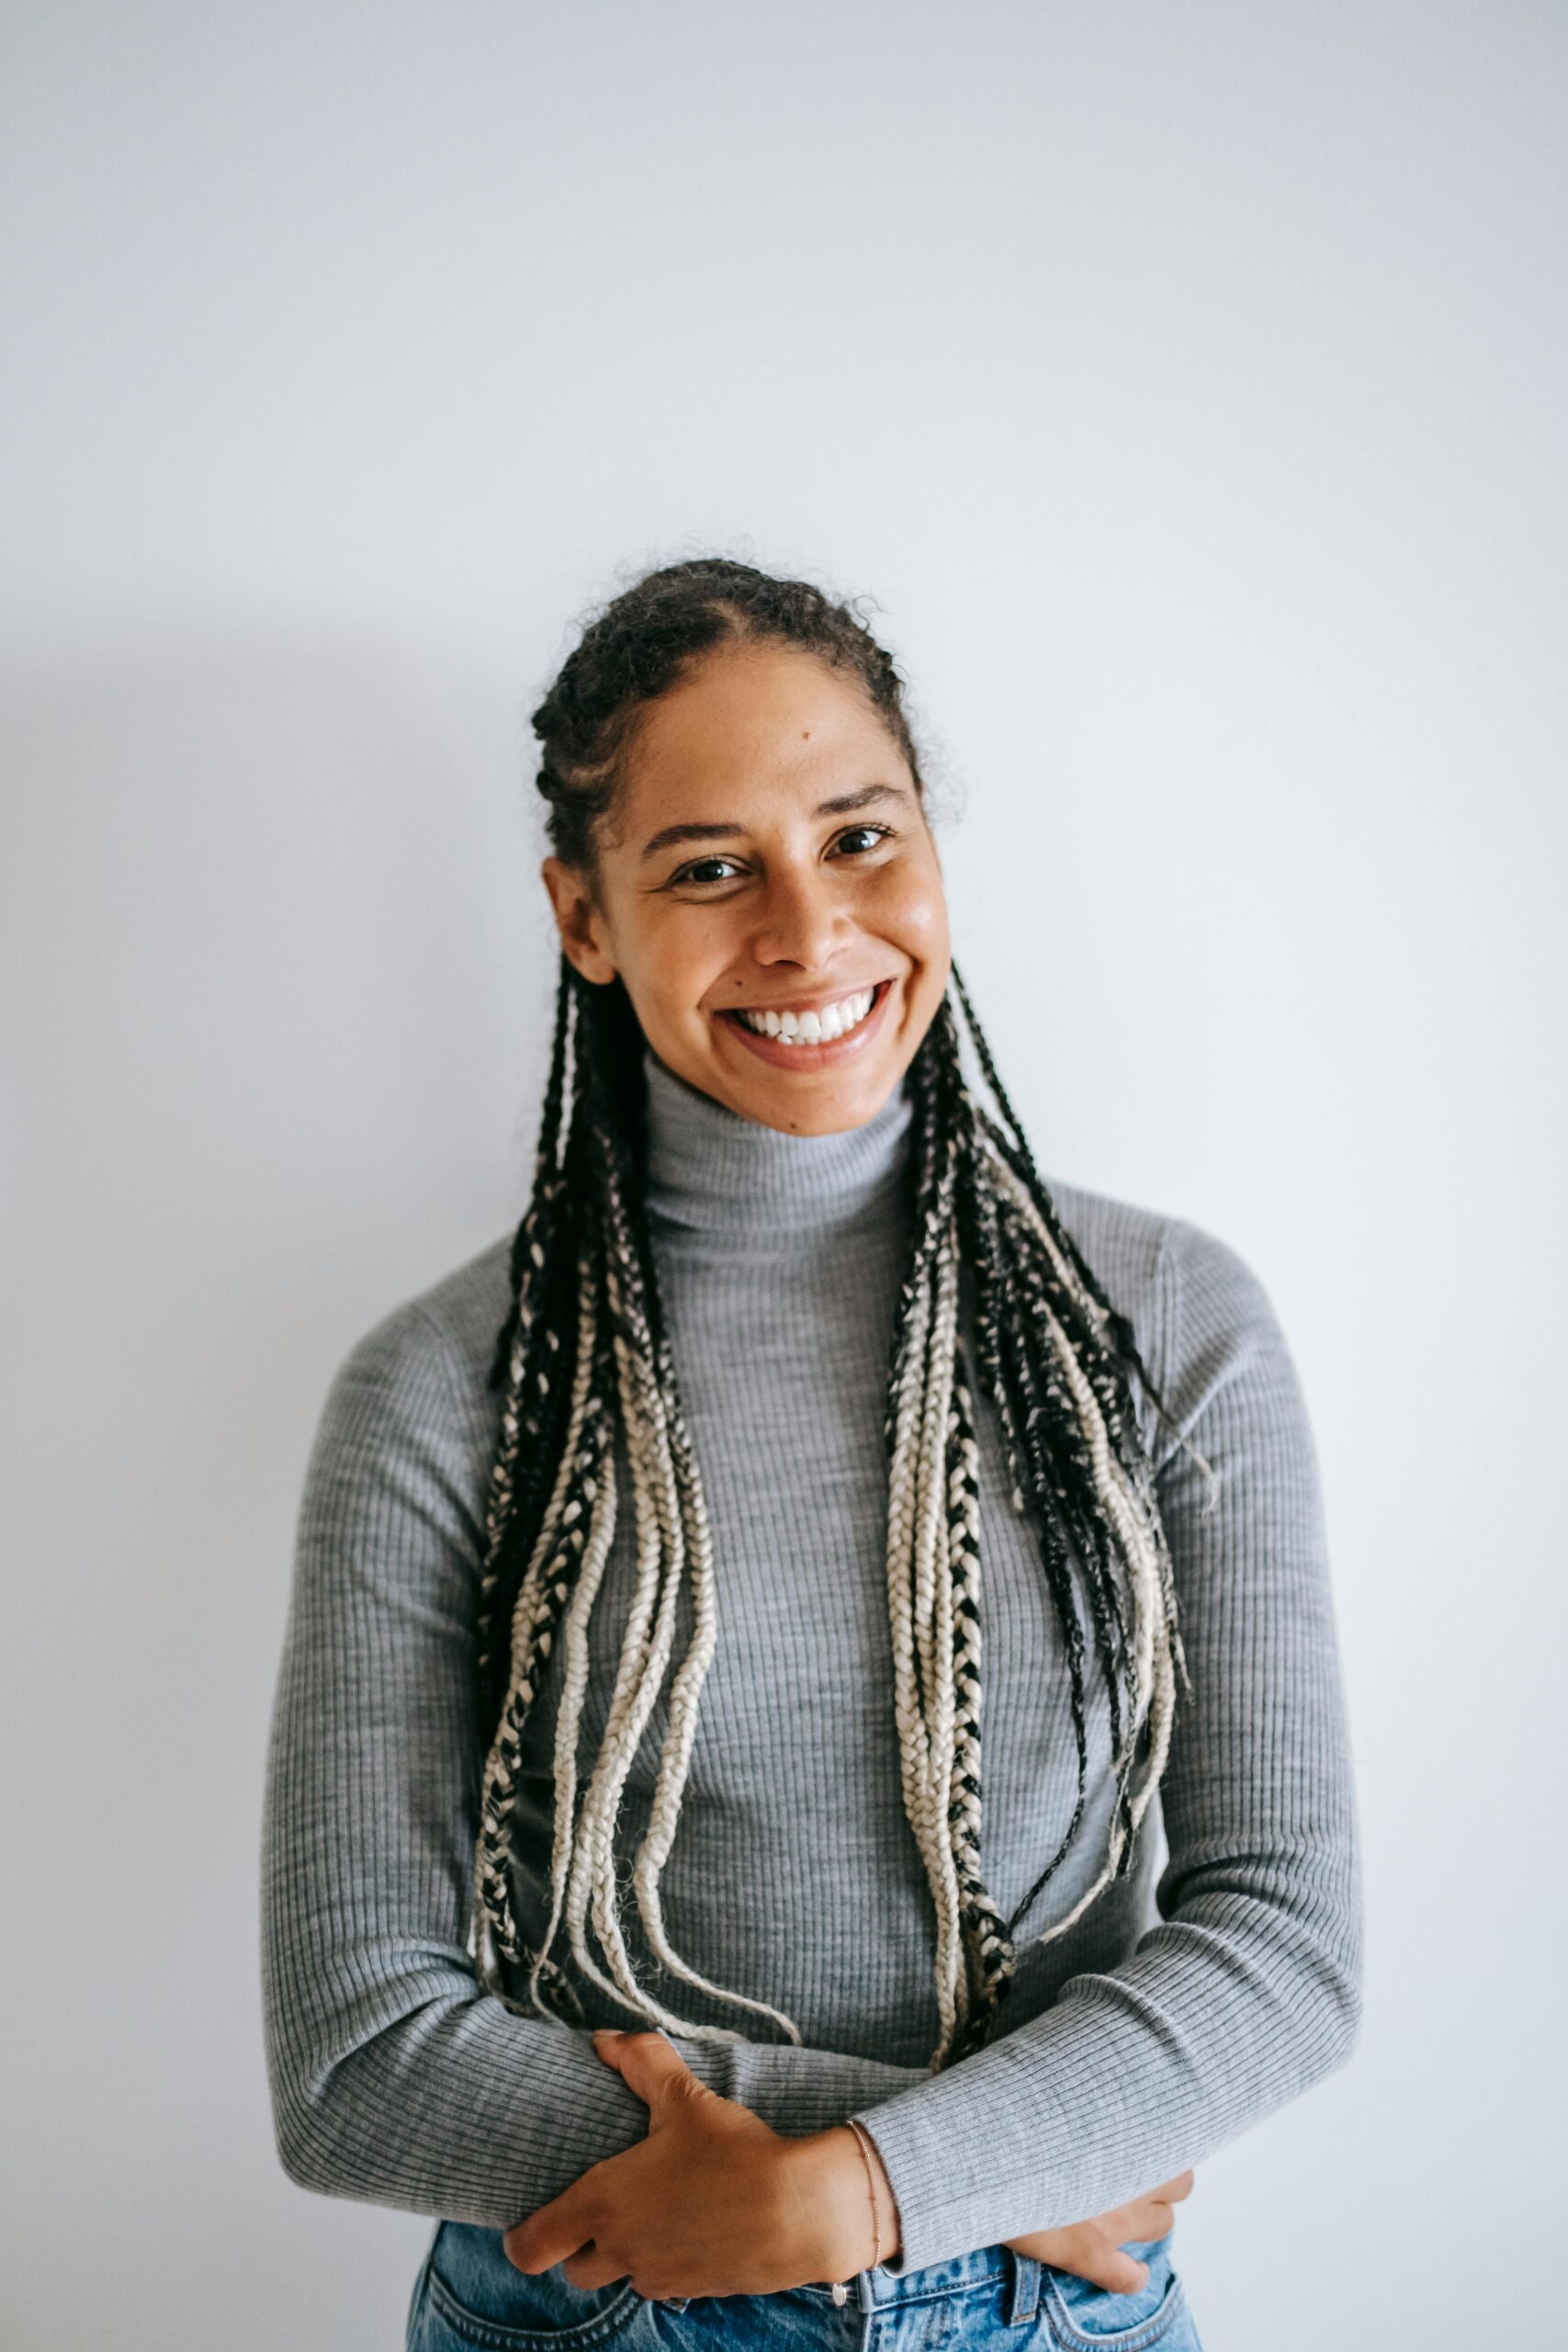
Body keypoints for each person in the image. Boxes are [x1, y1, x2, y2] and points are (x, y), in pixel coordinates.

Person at [262, 559, 1361, 2352]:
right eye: (707, 865)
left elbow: (1285, 1944)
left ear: (930, 844)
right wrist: (981, 2151)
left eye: (856, 836)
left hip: (1047, 2303)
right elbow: (355, 2058)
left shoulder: (1168, 1324)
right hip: (606, 2302)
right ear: (583, 913)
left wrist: (864, 2186)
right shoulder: (440, 1387)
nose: (803, 927)